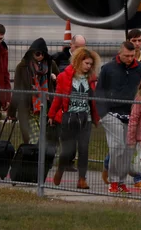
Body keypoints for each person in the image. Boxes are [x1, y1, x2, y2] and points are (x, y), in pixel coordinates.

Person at [48, 48, 101, 190]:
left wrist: (96, 117)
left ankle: (82, 179)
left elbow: (93, 100)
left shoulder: (91, 78)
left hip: (86, 117)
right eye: (86, 63)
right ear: (79, 61)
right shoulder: (65, 77)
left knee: (84, 148)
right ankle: (60, 170)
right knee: (67, 150)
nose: (88, 66)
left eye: (91, 64)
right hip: (69, 116)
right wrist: (51, 115)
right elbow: (58, 98)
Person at [97, 41, 141, 194]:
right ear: (120, 53)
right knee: (117, 146)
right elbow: (99, 91)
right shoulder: (108, 69)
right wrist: (102, 112)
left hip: (131, 115)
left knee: (127, 150)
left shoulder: (140, 69)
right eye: (126, 55)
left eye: (132, 56)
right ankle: (113, 180)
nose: (130, 58)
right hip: (111, 113)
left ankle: (122, 181)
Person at [12, 38, 60, 144]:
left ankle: (44, 160)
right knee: (33, 141)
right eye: (38, 53)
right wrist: (12, 111)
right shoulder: (22, 67)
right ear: (31, 53)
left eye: (43, 54)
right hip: (28, 108)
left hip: (46, 109)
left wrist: (55, 79)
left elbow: (60, 84)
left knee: (47, 140)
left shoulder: (50, 65)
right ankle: (34, 160)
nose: (40, 56)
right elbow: (17, 89)